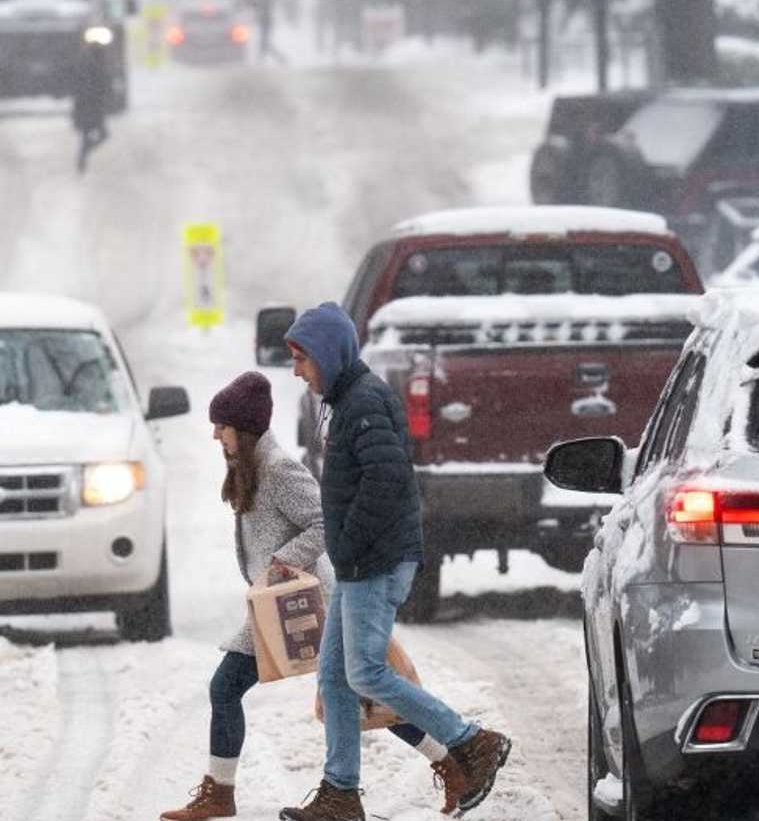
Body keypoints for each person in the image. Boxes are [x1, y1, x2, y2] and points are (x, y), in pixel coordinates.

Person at [160, 372, 467, 821]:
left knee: (356, 692)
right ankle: (220, 793)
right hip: (278, 604)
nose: (214, 435)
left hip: (308, 603)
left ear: (242, 430)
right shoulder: (252, 469)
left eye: (221, 427)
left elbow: (325, 522)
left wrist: (281, 563)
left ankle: (451, 760)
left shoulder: (280, 470)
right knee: (343, 691)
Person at [278, 304, 511, 821]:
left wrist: (352, 543)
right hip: (361, 559)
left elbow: (387, 481)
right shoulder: (349, 399)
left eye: (301, 359)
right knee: (336, 677)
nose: (297, 370)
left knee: (364, 672)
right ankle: (340, 793)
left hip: (374, 560)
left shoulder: (362, 403)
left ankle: (471, 740)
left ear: (328, 354)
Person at [69, 42, 112, 174]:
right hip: (93, 107)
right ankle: (82, 159)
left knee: (87, 137)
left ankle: (82, 159)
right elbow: (102, 86)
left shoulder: (84, 65)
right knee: (100, 134)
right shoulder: (96, 68)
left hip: (85, 107)